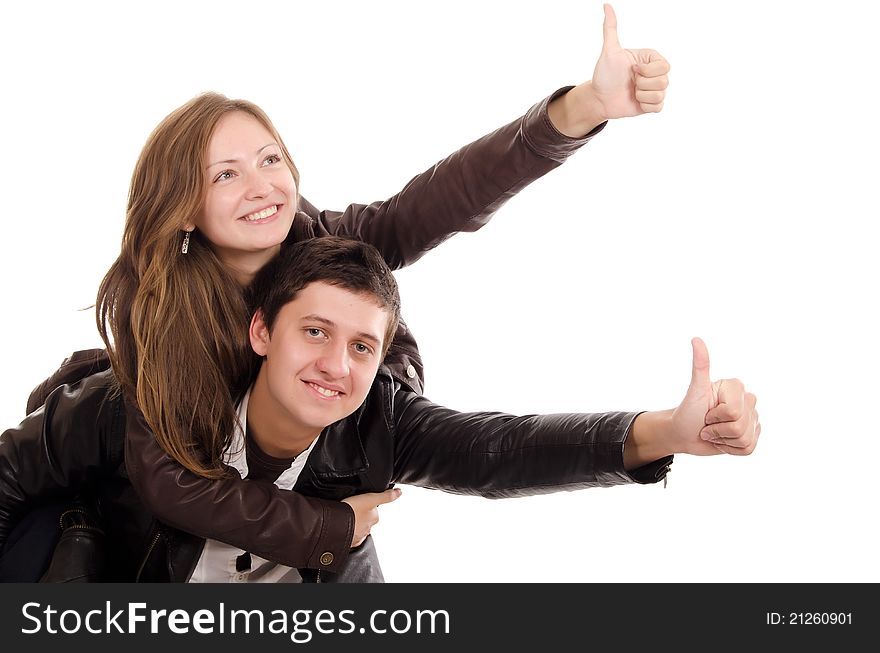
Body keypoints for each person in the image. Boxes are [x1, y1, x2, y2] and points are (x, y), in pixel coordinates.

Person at [0, 4, 687, 580]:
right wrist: (326, 526)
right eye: (227, 175)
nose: (262, 184)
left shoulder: (327, 263)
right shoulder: (158, 325)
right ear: (183, 208)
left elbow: (437, 205)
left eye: (271, 160)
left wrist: (576, 111)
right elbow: (167, 485)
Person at [0, 237, 759, 582]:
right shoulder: (146, 400)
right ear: (262, 331)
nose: (337, 365)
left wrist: (662, 432)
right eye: (316, 332)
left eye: (363, 346)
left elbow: (497, 450)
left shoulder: (382, 423)